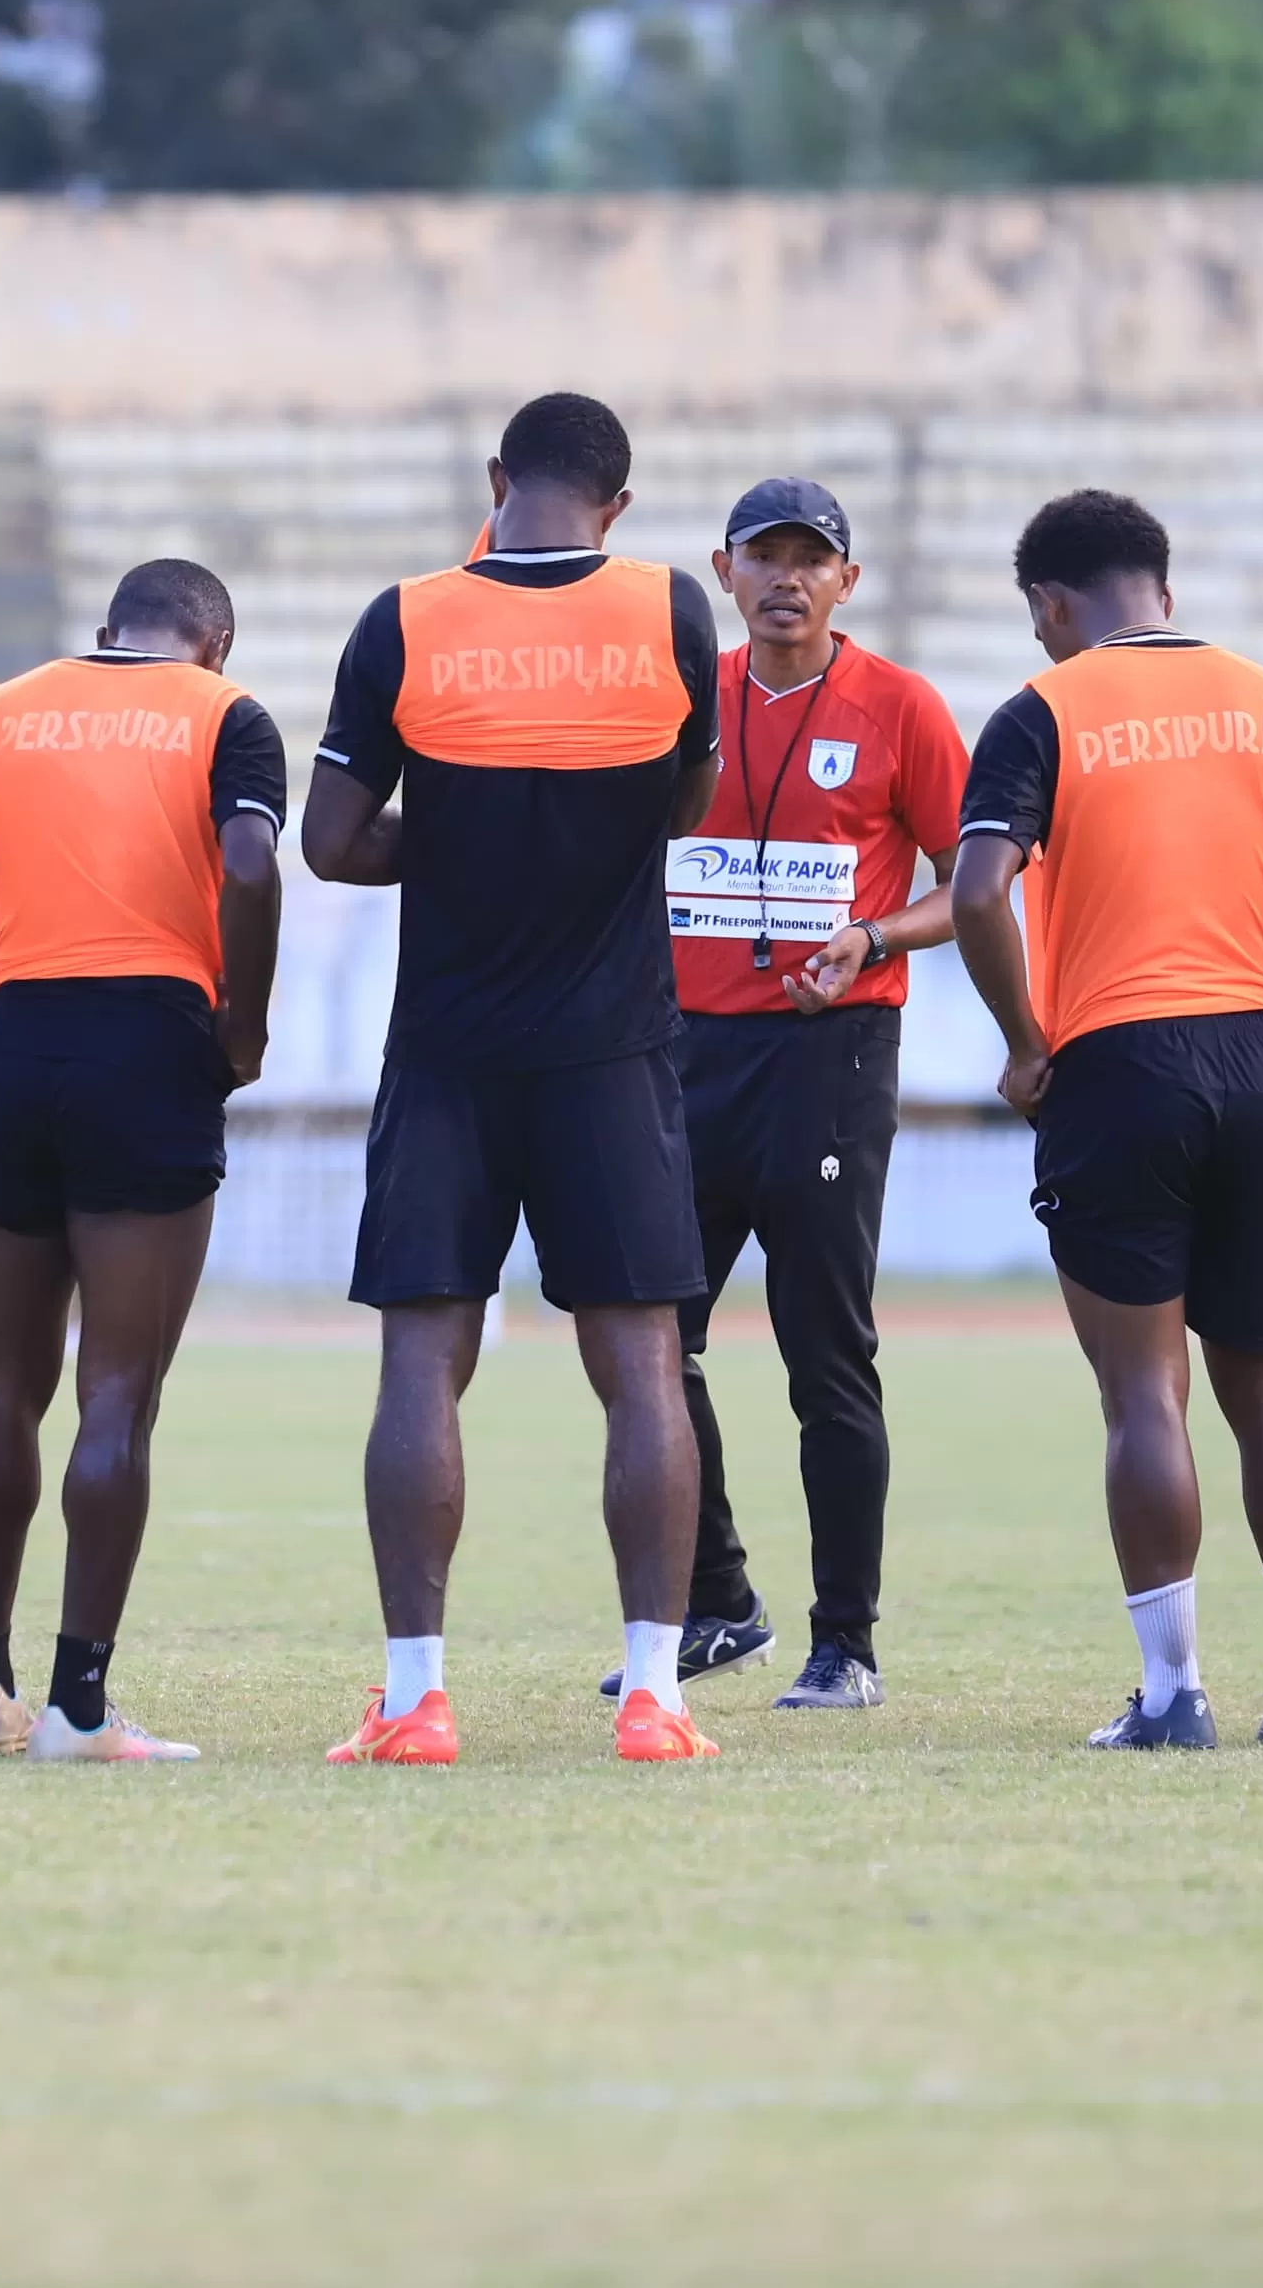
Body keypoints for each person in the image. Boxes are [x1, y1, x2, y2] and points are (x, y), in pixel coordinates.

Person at [303, 392, 729, 1766]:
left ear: (498, 480)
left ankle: (418, 1697)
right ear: (618, 504)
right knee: (642, 1367)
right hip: (613, 1048)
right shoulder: (672, 613)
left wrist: (465, 839)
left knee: (424, 1359)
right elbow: (686, 805)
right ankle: (656, 1694)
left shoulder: (406, 617)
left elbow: (329, 843)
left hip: (449, 1051)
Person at [949, 489, 1263, 1752]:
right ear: (1164, 581)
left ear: (1048, 604)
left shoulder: (1040, 712)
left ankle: (1170, 1695)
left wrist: (1023, 1041)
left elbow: (979, 893)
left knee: (1144, 1398)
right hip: (1251, 1058)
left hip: (1114, 1065)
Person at [0, 556, 290, 1765]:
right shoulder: (228, 716)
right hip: (148, 1043)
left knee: (3, 1389)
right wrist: (242, 1027)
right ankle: (80, 1708)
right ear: (215, 645)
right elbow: (252, 869)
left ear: (107, 632)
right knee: (117, 1394)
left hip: (17, 1044)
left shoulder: (5, 707)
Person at [619, 475, 968, 1717]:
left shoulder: (898, 706)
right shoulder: (677, 699)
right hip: (679, 1059)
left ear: (845, 581)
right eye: (761, 557)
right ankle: (720, 1602)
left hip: (826, 1062)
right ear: (721, 571)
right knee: (653, 1339)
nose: (785, 579)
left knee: (827, 1352)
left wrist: (871, 939)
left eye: (808, 558)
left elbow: (971, 884)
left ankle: (846, 1641)